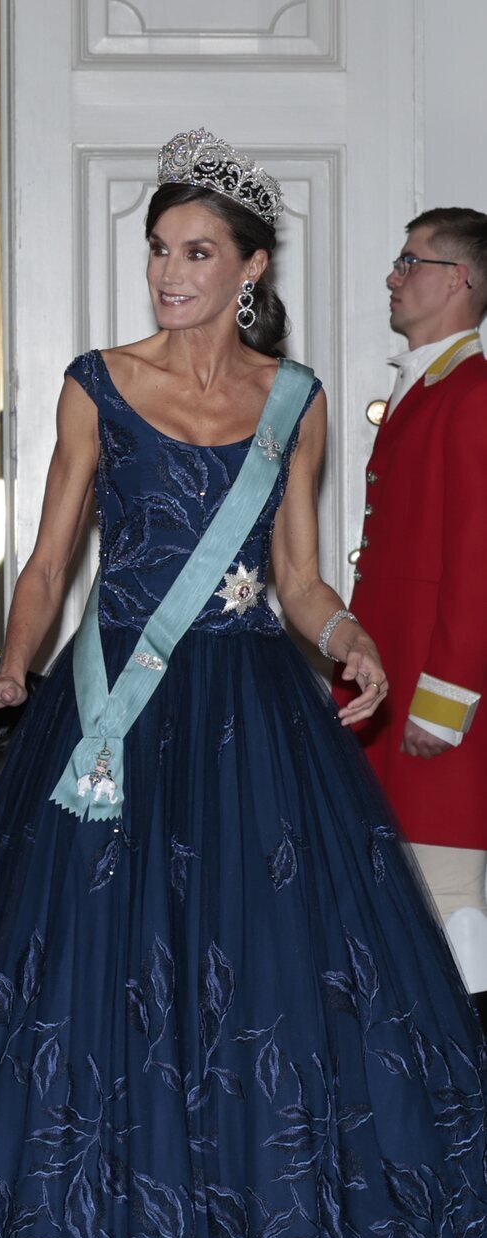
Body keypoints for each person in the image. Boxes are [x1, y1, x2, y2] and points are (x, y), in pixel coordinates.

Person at [0, 129, 487, 1238]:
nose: (168, 273)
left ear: (248, 269)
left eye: (195, 253)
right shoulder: (95, 383)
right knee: (82, 995)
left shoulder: (292, 399)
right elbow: (43, 563)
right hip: (108, 719)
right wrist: (16, 666)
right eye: (156, 251)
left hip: (254, 718)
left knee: (267, 1004)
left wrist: (349, 640)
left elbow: (299, 580)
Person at [334, 208, 487, 1020]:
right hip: (394, 710)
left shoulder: (473, 394)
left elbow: (477, 565)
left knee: (451, 932)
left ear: (458, 280)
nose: (394, 276)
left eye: (410, 260)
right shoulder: (427, 387)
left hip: (438, 726)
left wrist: (439, 699)